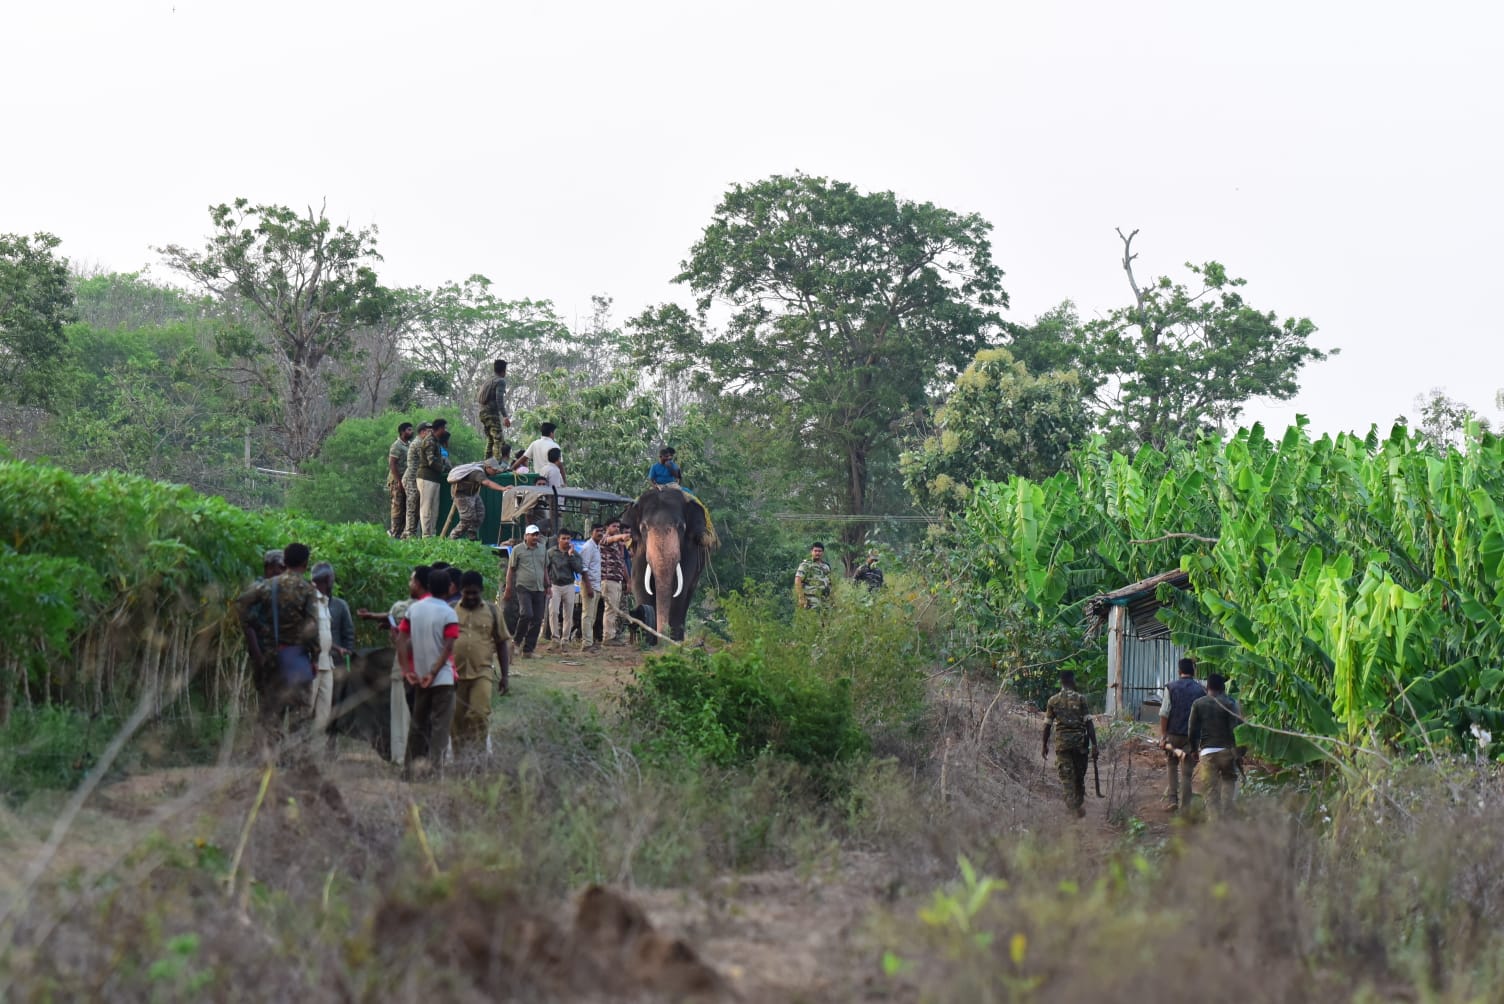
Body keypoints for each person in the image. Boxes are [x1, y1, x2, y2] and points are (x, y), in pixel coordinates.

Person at [236, 542, 320, 762]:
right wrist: (315, 655)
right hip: (297, 656)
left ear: (286, 561)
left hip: (272, 656)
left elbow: (241, 604)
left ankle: (269, 757)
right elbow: (312, 627)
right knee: (300, 711)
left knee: (272, 708)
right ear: (304, 563)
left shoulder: (268, 586)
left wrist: (262, 629)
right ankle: (298, 758)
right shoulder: (307, 590)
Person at [396, 567, 459, 779]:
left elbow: (401, 639)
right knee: (440, 729)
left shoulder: (414, 610)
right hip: (441, 679)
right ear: (449, 588)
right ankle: (434, 772)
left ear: (429, 586)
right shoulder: (449, 613)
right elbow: (448, 647)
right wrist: (433, 672)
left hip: (418, 677)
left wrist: (407, 670)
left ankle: (409, 771)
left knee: (417, 726)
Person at [452, 570, 510, 758]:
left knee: (479, 715)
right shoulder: (452, 610)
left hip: (482, 672)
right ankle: (460, 760)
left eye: (474, 593)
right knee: (456, 720)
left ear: (481, 591)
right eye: (466, 592)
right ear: (461, 591)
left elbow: (502, 643)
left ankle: (478, 758)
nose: (470, 597)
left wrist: (505, 676)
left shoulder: (492, 611)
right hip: (455, 674)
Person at [1042, 669, 1098, 818]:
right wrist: (1095, 745)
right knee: (1079, 778)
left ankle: (1073, 807)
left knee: (1067, 778)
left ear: (1061, 682)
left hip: (1063, 746)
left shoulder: (1053, 700)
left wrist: (1044, 745)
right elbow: (1089, 723)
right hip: (1080, 746)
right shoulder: (1081, 699)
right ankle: (1075, 807)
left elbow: (1047, 725)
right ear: (1072, 681)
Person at [1187, 673, 1244, 820]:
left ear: (1208, 687)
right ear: (1223, 688)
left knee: (1211, 789)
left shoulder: (1198, 703)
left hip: (1207, 752)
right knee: (1229, 780)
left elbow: (1192, 730)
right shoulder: (1231, 703)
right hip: (1227, 751)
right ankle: (1227, 815)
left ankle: (1214, 824)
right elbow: (1236, 730)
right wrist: (1238, 753)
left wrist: (1194, 749)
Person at [1159, 657, 1207, 812]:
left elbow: (1164, 713)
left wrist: (1163, 735)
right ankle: (1185, 807)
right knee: (1186, 773)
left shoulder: (1171, 687)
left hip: (1173, 734)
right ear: (1193, 671)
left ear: (1179, 671)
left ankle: (1172, 799)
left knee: (1172, 765)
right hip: (1191, 738)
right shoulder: (1200, 690)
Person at [504, 524, 549, 658]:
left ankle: (528, 650)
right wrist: (508, 587)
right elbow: (511, 570)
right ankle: (516, 642)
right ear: (526, 536)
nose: (535, 537)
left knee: (537, 618)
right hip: (523, 587)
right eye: (533, 535)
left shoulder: (542, 549)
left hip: (539, 588)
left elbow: (545, 568)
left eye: (537, 535)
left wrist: (548, 585)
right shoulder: (517, 550)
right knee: (526, 614)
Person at [447, 458, 509, 540]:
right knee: (467, 518)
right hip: (461, 494)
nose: (495, 472)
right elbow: (487, 483)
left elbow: (498, 471)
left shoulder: (485, 468)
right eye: (494, 470)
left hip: (472, 493)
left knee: (480, 513)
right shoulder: (478, 473)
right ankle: (452, 537)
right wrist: (503, 488)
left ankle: (472, 536)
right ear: (488, 467)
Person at [544, 528, 583, 651]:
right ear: (558, 540)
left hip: (569, 585)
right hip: (554, 585)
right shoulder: (551, 553)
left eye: (568, 538)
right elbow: (545, 569)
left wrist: (571, 555)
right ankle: (555, 639)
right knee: (554, 611)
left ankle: (565, 640)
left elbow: (579, 569)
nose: (566, 541)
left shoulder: (574, 553)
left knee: (568, 614)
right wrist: (547, 585)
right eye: (564, 538)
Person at [415, 418, 451, 537]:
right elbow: (431, 461)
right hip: (426, 477)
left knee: (434, 509)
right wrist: (443, 469)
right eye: (444, 428)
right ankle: (426, 536)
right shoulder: (430, 440)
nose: (444, 430)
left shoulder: (435, 441)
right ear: (439, 428)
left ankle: (432, 534)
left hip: (434, 478)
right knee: (426, 508)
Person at [599, 519, 630, 645]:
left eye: (618, 527)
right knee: (610, 609)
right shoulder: (604, 539)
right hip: (608, 579)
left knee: (615, 609)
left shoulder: (617, 545)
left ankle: (612, 635)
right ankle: (608, 637)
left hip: (617, 579)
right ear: (607, 527)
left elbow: (622, 562)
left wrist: (628, 580)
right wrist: (621, 536)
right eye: (614, 526)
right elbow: (609, 540)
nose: (616, 528)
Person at [475, 359, 511, 462]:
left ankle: (486, 463)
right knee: (498, 439)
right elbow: (499, 400)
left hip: (482, 413)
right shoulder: (500, 381)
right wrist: (505, 416)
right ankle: (496, 465)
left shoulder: (488, 380)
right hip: (491, 414)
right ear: (504, 370)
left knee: (491, 439)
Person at [401, 422, 431, 538]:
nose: (431, 434)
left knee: (416, 508)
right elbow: (427, 460)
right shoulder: (419, 443)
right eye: (429, 431)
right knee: (412, 508)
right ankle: (409, 534)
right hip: (411, 480)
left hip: (416, 479)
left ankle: (409, 532)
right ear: (423, 432)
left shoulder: (422, 442)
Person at [578, 524, 604, 652]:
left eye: (602, 531)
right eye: (598, 530)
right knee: (587, 615)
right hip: (589, 585)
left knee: (592, 616)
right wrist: (588, 586)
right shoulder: (588, 547)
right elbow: (583, 568)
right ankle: (586, 644)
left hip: (597, 585)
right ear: (591, 532)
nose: (600, 533)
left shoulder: (597, 546)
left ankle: (590, 641)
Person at [387, 422, 415, 537]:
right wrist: (399, 481)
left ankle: (401, 533)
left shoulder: (408, 445)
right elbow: (392, 464)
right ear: (402, 432)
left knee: (405, 508)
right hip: (396, 481)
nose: (411, 432)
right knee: (397, 508)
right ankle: (394, 533)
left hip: (405, 480)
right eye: (409, 430)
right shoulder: (396, 445)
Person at [793, 542, 833, 609]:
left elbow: (830, 583)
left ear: (823, 552)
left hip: (825, 601)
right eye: (815, 551)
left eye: (819, 551)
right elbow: (798, 580)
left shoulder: (826, 566)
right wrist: (801, 597)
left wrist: (832, 598)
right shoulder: (806, 565)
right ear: (811, 551)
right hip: (811, 601)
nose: (817, 553)